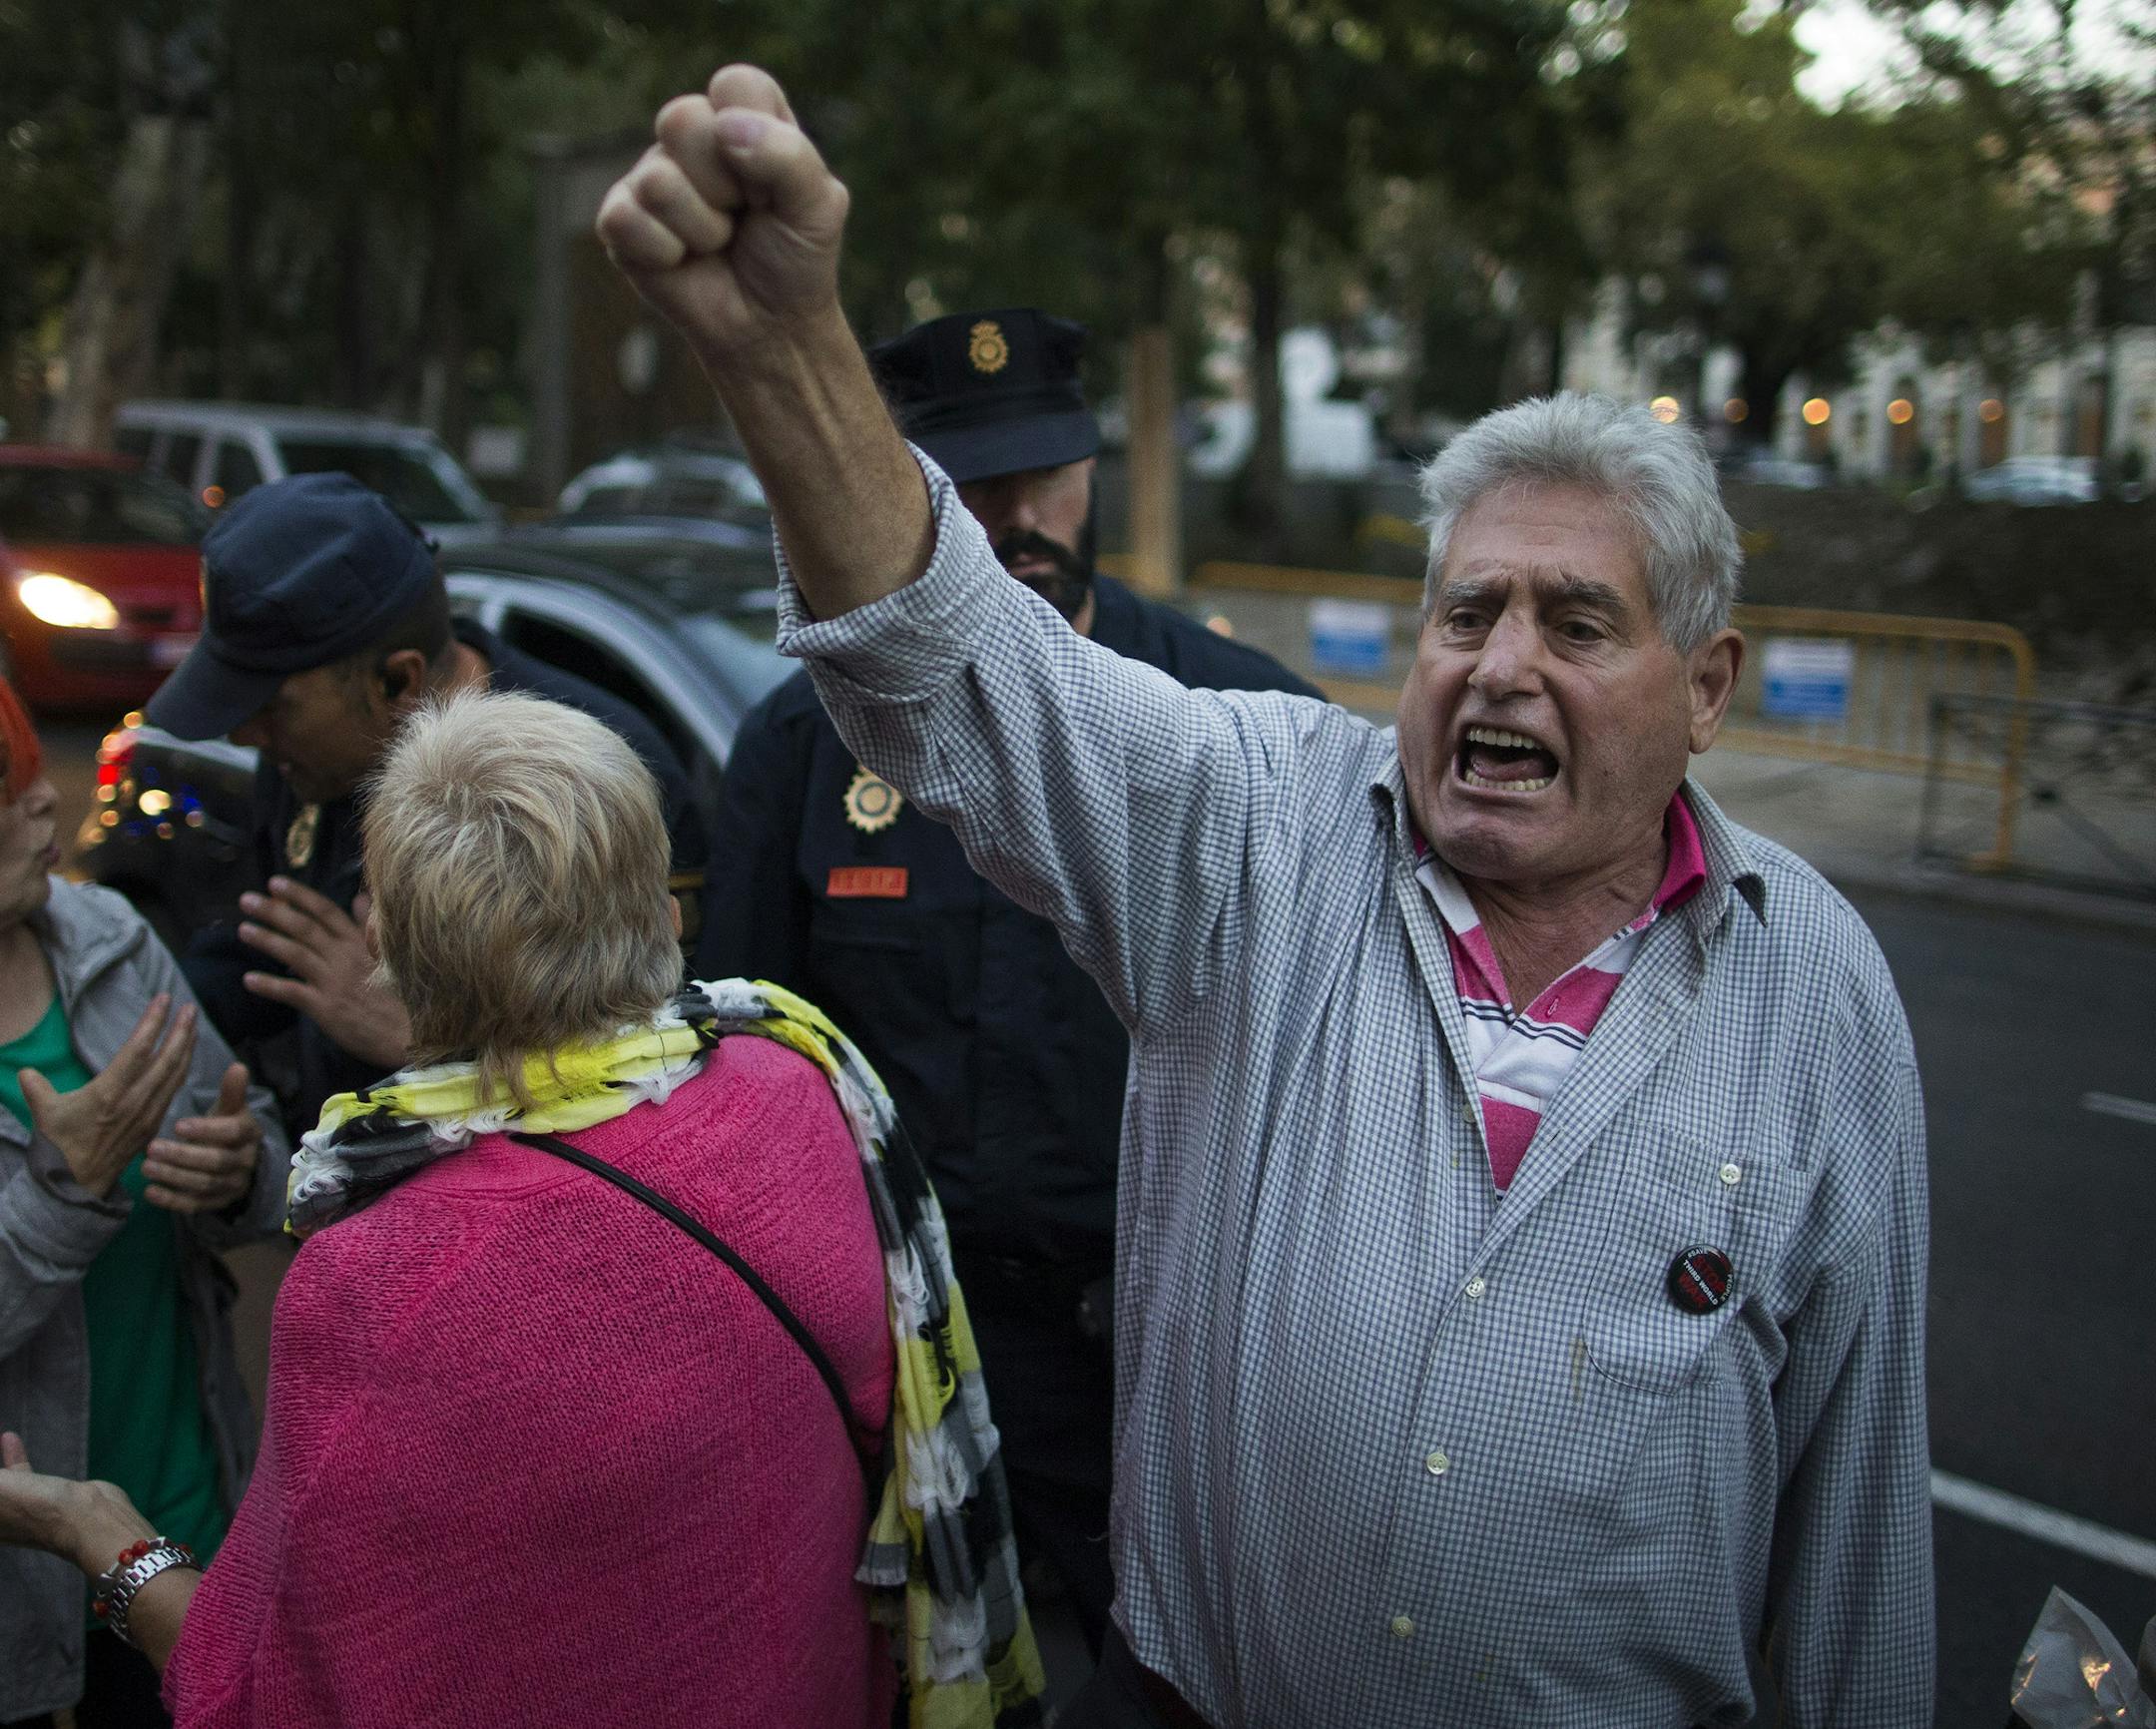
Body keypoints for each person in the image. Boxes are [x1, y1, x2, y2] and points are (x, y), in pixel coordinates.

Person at [593, 66, 1933, 1729]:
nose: (1501, 665)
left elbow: (1855, 1517)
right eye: (1465, 615)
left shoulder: (1817, 986)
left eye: (1577, 626)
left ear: (1709, 683)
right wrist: (781, 346)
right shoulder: (1257, 826)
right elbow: (952, 667)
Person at [0, 689, 1043, 1728]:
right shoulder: (803, 1089)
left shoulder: (376, 1279)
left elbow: (259, 1689)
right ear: (668, 914)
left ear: (400, 963)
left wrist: (106, 1538)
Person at [701, 305, 1316, 1651]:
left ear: (1092, 468)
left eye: (1045, 472)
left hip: (1146, 1365)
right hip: (903, 1355)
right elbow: (741, 1068)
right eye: (975, 483)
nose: (1019, 513)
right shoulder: (806, 747)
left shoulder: (1237, 729)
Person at [146, 472, 709, 1139]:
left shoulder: (597, 786)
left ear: (399, 680)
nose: (246, 734)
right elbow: (277, 963)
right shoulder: (309, 768)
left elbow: (662, 1068)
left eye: (272, 706)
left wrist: (429, 1045)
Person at [0, 675, 288, 1729]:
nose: (43, 805)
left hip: (180, 1525)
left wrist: (242, 1168)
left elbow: (253, 1138)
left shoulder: (106, 933)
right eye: (7, 783)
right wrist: (57, 1195)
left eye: (39, 774)